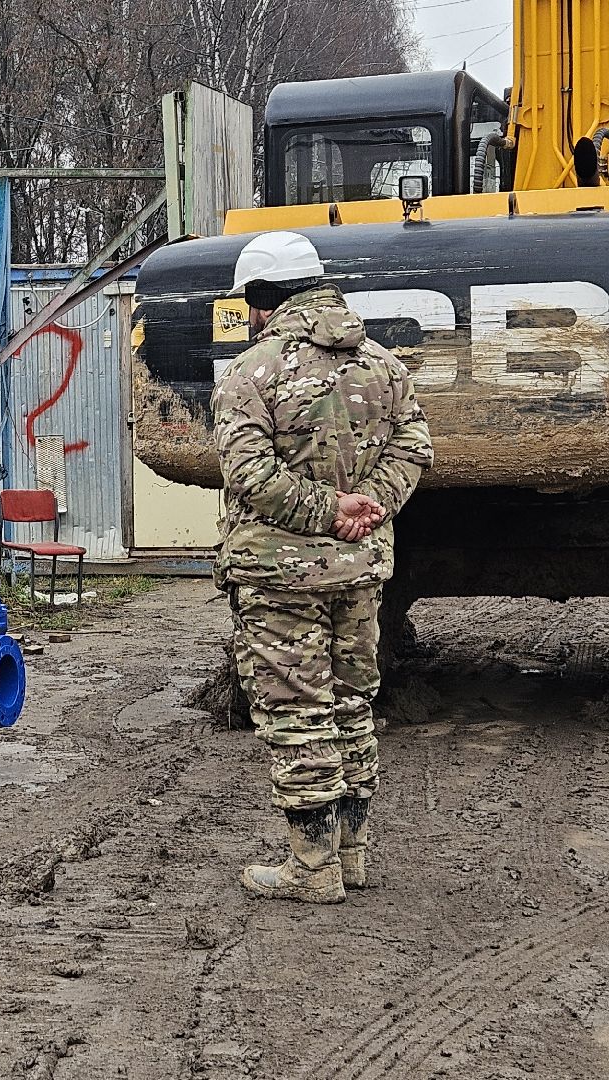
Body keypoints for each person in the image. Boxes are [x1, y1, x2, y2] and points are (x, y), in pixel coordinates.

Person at [212, 231, 433, 904]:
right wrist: (367, 511)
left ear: (263, 299)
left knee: (297, 713)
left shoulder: (253, 373)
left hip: (282, 577)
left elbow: (248, 473)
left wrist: (328, 510)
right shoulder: (384, 365)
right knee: (351, 706)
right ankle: (354, 855)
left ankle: (313, 868)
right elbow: (415, 447)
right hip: (361, 570)